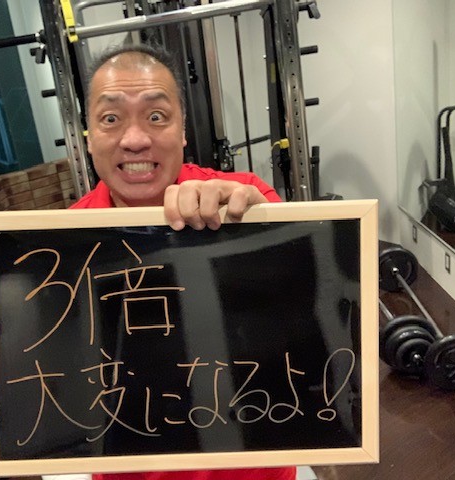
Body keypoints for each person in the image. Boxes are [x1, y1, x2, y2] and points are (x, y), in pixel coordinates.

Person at [70, 43, 295, 480]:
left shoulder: (245, 197)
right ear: (89, 137)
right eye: (111, 119)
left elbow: (299, 315)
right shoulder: (64, 243)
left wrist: (258, 228)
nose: (135, 139)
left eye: (156, 116)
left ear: (184, 131)